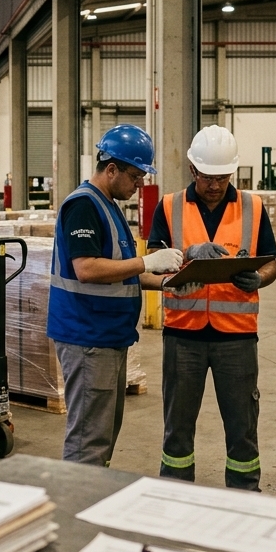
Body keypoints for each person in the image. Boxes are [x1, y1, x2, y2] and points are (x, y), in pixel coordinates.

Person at [148, 125, 276, 491]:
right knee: (178, 427)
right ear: (193, 170)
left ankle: (243, 494)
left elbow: (271, 263)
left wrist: (260, 278)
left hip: (236, 337)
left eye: (223, 178)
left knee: (242, 427)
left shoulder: (253, 206)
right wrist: (188, 254)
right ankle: (175, 492)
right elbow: (152, 260)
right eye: (208, 178)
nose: (216, 185)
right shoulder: (169, 206)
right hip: (182, 334)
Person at [49, 124, 183, 466]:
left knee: (103, 436)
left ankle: (89, 500)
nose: (140, 185)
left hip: (108, 337)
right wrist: (147, 261)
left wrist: (166, 283)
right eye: (136, 176)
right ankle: (75, 513)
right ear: (112, 169)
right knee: (87, 443)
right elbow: (87, 269)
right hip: (88, 338)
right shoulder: (84, 206)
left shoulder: (109, 207)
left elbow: (122, 275)